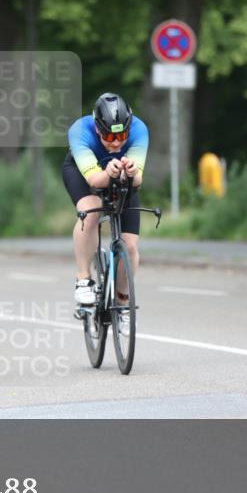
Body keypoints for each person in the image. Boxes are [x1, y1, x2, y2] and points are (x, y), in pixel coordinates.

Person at [62, 93, 149, 333]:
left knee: (130, 246)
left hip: (122, 177)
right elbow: (93, 178)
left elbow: (138, 179)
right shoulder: (80, 131)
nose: (116, 143)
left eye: (122, 136)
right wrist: (108, 173)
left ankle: (122, 304)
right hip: (84, 174)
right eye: (109, 137)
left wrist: (130, 172)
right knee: (90, 212)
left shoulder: (140, 129)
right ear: (98, 129)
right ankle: (83, 279)